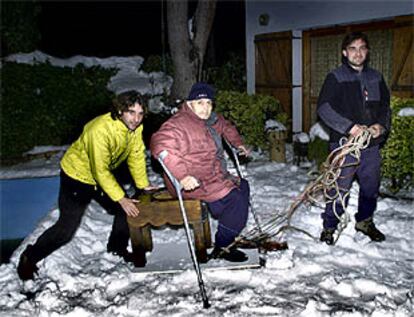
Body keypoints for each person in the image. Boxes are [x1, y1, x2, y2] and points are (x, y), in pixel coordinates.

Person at [17, 91, 157, 280]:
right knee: (66, 229)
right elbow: (100, 170)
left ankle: (116, 249)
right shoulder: (99, 130)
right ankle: (29, 257)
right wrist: (120, 198)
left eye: (140, 114)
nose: (136, 119)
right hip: (77, 177)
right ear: (119, 110)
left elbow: (136, 154)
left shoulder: (134, 128)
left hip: (99, 178)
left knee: (126, 209)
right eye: (131, 112)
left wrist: (142, 185)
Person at [150, 82, 251, 262]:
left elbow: (226, 126)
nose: (205, 108)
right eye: (200, 103)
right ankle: (223, 246)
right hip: (190, 181)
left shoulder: (211, 119)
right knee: (235, 200)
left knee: (243, 186)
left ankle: (227, 224)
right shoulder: (177, 125)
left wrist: (238, 143)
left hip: (213, 176)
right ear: (189, 104)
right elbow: (161, 146)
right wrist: (182, 176)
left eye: (209, 103)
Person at [317, 32, 391, 245]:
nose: (357, 53)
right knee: (339, 187)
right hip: (344, 143)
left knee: (370, 185)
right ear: (344, 52)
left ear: (367, 52)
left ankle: (365, 221)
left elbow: (385, 107)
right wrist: (349, 128)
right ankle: (330, 226)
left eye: (361, 48)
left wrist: (381, 126)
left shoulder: (376, 77)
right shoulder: (336, 77)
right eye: (352, 48)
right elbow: (324, 108)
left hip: (371, 145)